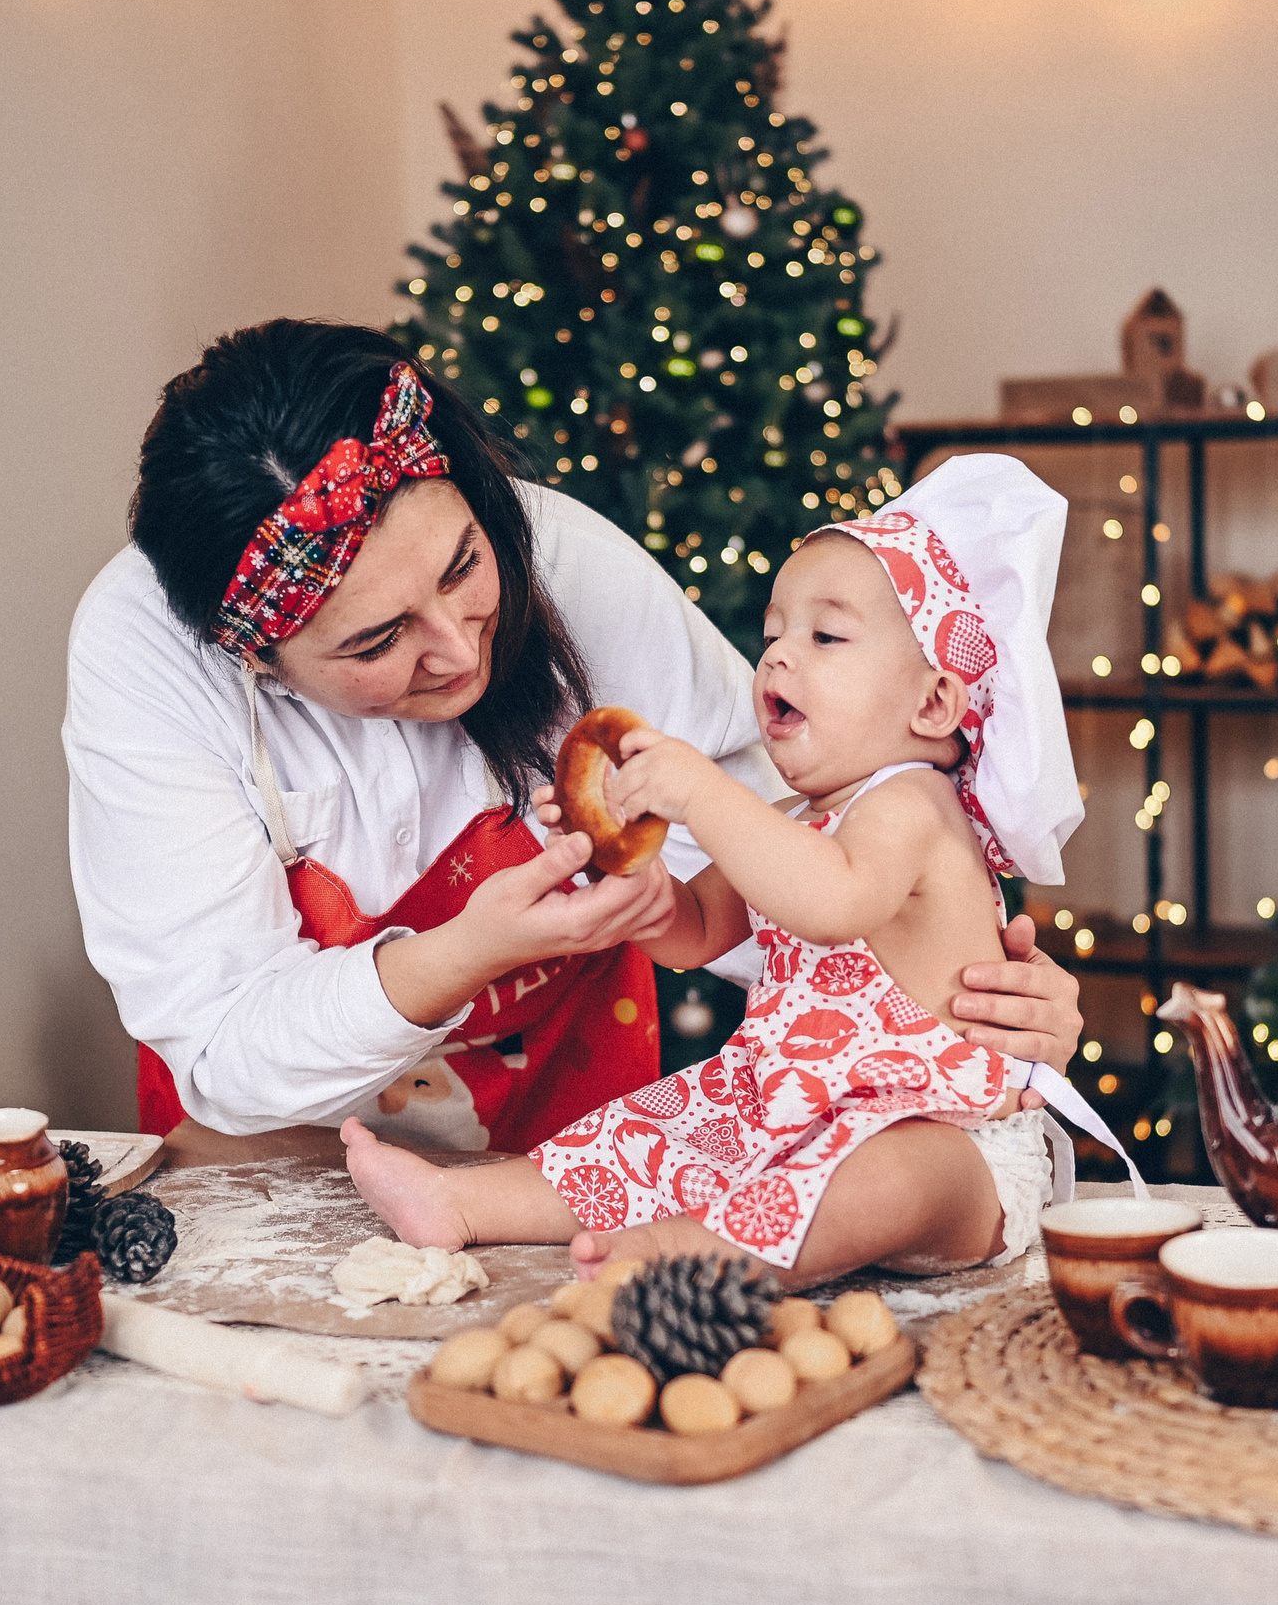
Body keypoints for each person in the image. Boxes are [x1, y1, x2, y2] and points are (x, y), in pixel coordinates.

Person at [65, 321, 1087, 1173]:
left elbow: (787, 843)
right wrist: (464, 954)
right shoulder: (147, 654)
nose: (457, 645)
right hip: (272, 1163)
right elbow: (220, 1043)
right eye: (377, 640)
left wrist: (950, 984)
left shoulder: (572, 561)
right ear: (257, 660)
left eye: (464, 566)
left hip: (562, 1141)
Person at [344, 456, 1087, 1286]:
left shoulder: (913, 805)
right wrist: (624, 878)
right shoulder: (795, 823)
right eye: (773, 634)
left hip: (952, 1137)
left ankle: (693, 1254)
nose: (777, 658)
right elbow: (693, 936)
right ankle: (465, 1205)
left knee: (889, 1179)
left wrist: (700, 787)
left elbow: (832, 900)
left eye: (825, 636)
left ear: (933, 705)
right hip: (787, 1114)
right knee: (657, 1129)